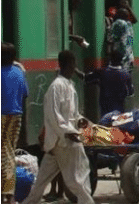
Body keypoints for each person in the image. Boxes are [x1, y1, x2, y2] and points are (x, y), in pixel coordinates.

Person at [23, 51, 95, 204]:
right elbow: (54, 116)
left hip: (60, 143)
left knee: (41, 180)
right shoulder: (56, 87)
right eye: (73, 64)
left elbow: (73, 114)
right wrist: (68, 132)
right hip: (63, 142)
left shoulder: (70, 85)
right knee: (77, 180)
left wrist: (82, 122)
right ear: (69, 65)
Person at [2, 43, 28, 204]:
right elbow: (25, 93)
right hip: (16, 115)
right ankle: (9, 194)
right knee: (9, 152)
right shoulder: (19, 72)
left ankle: (7, 194)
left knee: (5, 154)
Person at [85, 49, 134, 117]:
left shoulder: (102, 72)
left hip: (105, 111)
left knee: (105, 126)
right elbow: (130, 93)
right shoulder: (126, 75)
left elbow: (86, 78)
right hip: (119, 112)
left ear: (110, 59)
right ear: (121, 60)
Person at [110, 8, 134, 73]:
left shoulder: (122, 23)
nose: (127, 14)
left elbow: (114, 38)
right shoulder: (126, 24)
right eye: (125, 13)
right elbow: (130, 39)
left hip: (123, 54)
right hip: (126, 54)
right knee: (125, 76)